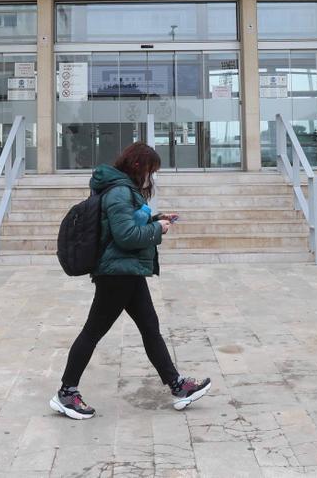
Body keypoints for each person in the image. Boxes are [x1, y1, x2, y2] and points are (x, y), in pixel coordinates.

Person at [50, 142, 212, 420]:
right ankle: (66, 392)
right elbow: (125, 236)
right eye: (151, 170)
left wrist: (156, 218)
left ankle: (177, 386)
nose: (152, 177)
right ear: (138, 166)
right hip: (117, 274)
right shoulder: (120, 192)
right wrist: (156, 229)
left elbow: (125, 226)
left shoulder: (121, 189)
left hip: (128, 272)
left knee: (150, 328)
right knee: (93, 332)